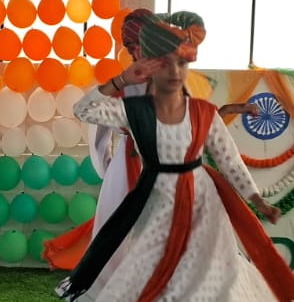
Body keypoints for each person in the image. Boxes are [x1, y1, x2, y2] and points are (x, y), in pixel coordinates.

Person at [58, 9, 294, 302]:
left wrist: (257, 200)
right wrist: (122, 80)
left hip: (203, 210)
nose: (175, 71)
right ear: (148, 65)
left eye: (181, 63)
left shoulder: (203, 113)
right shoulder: (134, 111)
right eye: (164, 63)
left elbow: (229, 161)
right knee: (154, 281)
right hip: (155, 208)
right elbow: (84, 110)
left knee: (202, 288)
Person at [43, 87, 257, 276]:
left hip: (157, 163)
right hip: (130, 165)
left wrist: (229, 109)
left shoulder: (169, 92)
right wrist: (108, 169)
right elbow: (98, 133)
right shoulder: (121, 91)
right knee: (121, 219)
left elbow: (197, 123)